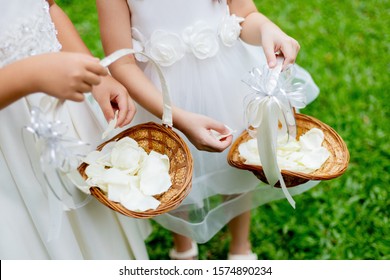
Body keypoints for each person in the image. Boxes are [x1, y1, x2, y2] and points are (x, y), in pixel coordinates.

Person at [96, 0, 320, 259]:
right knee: (169, 170)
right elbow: (121, 64)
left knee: (237, 160)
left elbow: (244, 14)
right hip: (161, 94)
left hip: (225, 78)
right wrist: (175, 116)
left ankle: (240, 247)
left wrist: (267, 29)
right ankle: (184, 248)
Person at [0, 0, 151, 259]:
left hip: (64, 113)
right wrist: (31, 75)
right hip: (10, 142)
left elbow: (46, 7)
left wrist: (99, 76)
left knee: (95, 229)